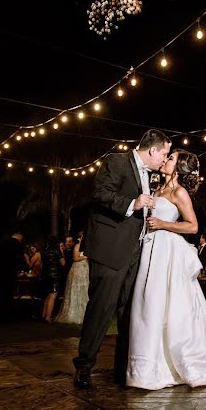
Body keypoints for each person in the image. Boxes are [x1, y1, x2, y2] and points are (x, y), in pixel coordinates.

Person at [73, 128, 172, 389]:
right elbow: (101, 194)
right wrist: (133, 203)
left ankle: (123, 368)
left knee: (129, 313)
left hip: (135, 252)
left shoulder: (149, 175)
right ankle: (84, 365)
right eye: (164, 154)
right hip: (109, 250)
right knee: (102, 309)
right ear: (152, 150)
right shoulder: (116, 161)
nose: (164, 159)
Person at [126, 149, 206, 390]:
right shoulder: (155, 190)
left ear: (179, 167)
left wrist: (163, 224)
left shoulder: (178, 192)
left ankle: (182, 362)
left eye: (170, 158)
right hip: (151, 252)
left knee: (172, 305)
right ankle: (151, 364)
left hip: (168, 253)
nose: (165, 159)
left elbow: (193, 226)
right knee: (150, 306)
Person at [55, 235, 89, 324]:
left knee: (84, 290)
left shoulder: (87, 246)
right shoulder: (77, 246)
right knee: (76, 289)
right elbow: (76, 258)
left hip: (84, 269)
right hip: (78, 269)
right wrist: (87, 257)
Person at [41, 235, 64, 323]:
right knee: (52, 296)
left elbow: (42, 264)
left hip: (46, 275)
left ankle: (43, 315)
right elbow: (63, 263)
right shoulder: (57, 251)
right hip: (54, 276)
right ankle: (48, 317)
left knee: (47, 296)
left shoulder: (44, 251)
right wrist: (62, 253)